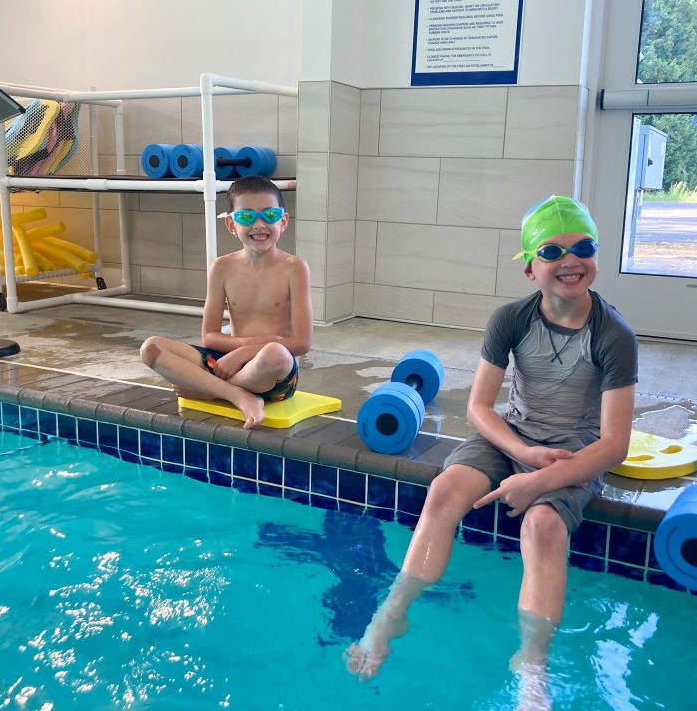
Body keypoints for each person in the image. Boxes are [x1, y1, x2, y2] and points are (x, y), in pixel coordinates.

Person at [345, 195, 638, 707]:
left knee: (543, 528)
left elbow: (615, 444)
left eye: (583, 247)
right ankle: (392, 612)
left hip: (573, 452)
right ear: (530, 267)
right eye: (552, 251)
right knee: (444, 490)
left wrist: (539, 480)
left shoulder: (613, 335)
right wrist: (520, 450)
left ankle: (533, 663)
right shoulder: (511, 319)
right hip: (512, 436)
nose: (570, 261)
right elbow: (480, 409)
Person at [140, 175, 312, 430]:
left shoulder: (294, 268)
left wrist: (243, 352)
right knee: (150, 348)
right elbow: (209, 336)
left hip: (273, 376)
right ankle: (236, 394)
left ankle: (210, 389)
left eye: (269, 215)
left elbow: (301, 342)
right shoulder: (221, 267)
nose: (259, 224)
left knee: (275, 354)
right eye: (246, 217)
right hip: (227, 362)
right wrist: (233, 355)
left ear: (283, 221)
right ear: (231, 225)